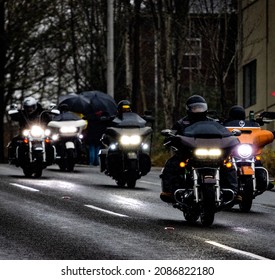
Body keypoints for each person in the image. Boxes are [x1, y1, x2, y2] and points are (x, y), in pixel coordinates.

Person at [160, 94, 241, 203]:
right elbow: (173, 133)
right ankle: (169, 191)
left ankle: (234, 192)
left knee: (228, 165)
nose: (198, 110)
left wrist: (231, 136)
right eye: (195, 107)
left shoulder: (213, 122)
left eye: (200, 107)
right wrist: (170, 137)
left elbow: (224, 132)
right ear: (189, 109)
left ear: (205, 108)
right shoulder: (181, 123)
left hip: (212, 152)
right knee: (172, 163)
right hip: (190, 153)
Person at [7, 96, 52, 162]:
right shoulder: (22, 113)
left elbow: (48, 118)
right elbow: (15, 116)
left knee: (51, 141)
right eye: (27, 107)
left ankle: (51, 158)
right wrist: (13, 113)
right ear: (24, 107)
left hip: (40, 132)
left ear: (35, 106)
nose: (29, 109)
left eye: (31, 107)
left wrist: (50, 115)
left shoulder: (42, 112)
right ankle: (13, 158)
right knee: (15, 141)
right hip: (25, 133)